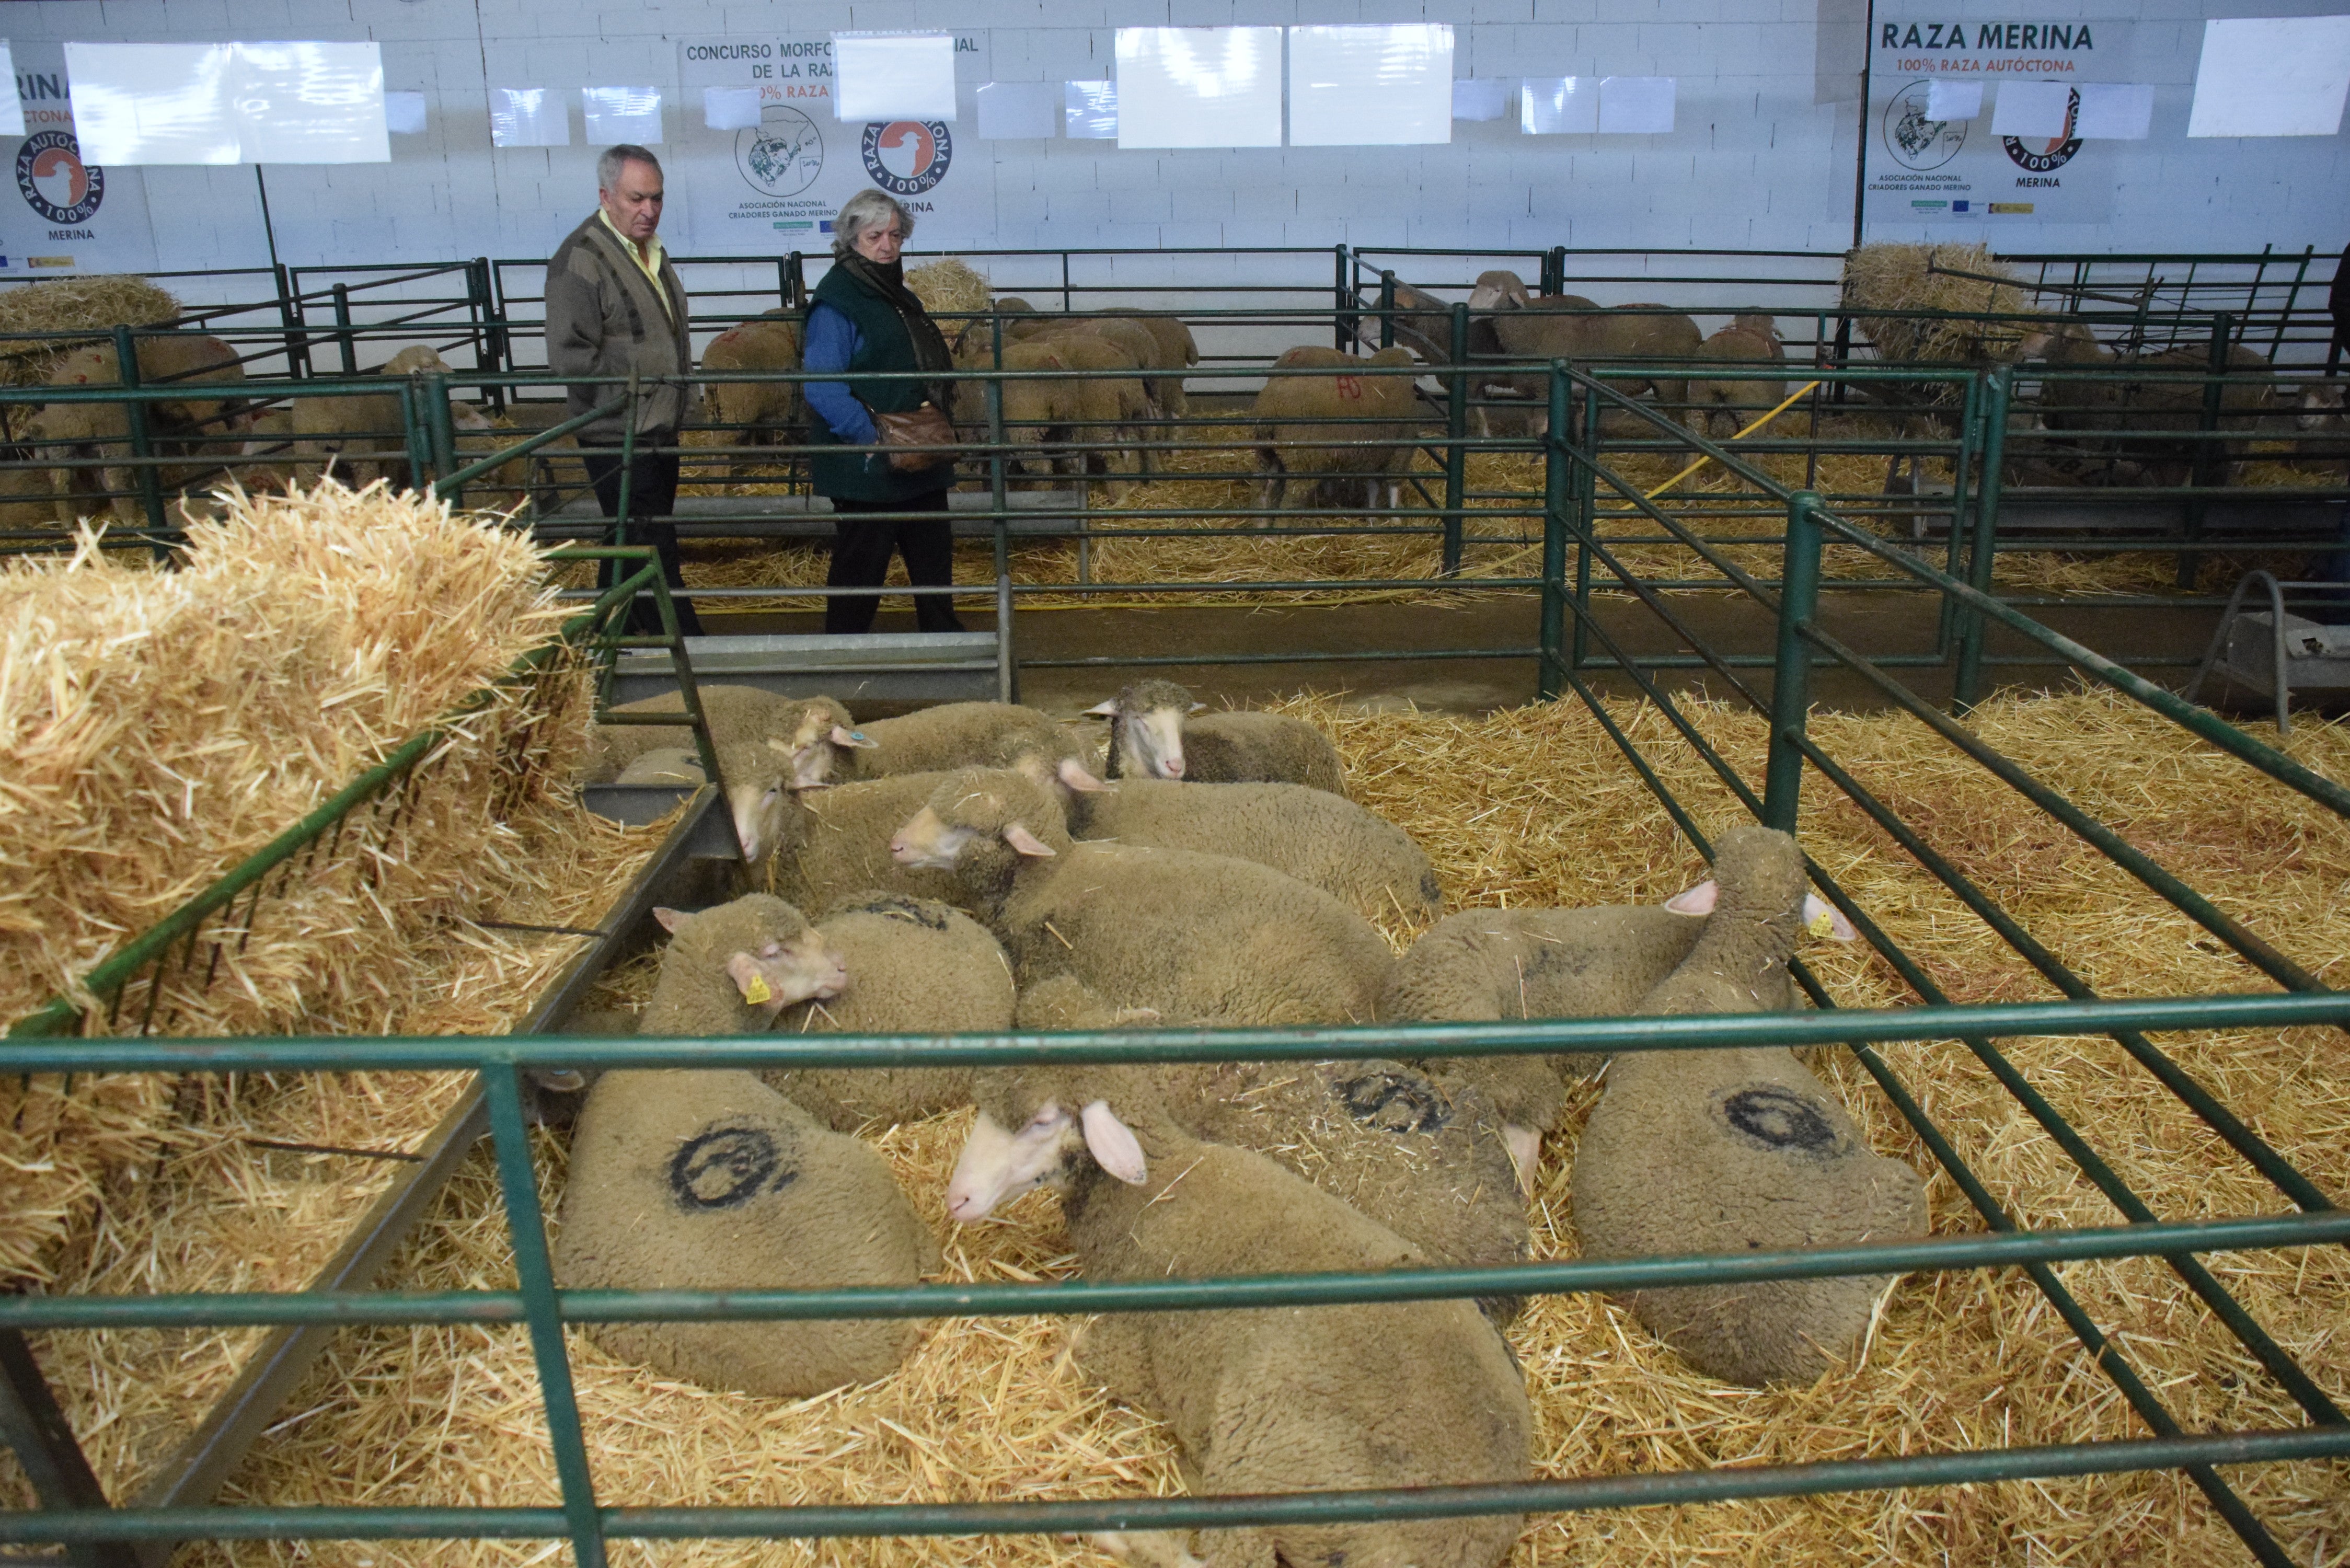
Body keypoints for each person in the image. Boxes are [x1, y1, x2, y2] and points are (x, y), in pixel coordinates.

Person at [545, 143, 703, 637]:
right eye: (637, 199)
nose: (649, 210)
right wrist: (631, 402)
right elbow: (572, 356)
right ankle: (683, 644)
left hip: (659, 428)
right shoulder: (579, 261)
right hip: (619, 434)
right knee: (648, 542)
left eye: (657, 198)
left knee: (631, 539)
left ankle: (602, 640)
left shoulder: (653, 252)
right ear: (606, 196)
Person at [801, 189, 965, 635]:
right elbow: (821, 383)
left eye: (895, 235)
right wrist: (869, 437)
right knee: (861, 564)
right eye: (875, 236)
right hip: (869, 466)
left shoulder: (895, 294)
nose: (887, 246)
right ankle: (842, 652)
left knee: (933, 558)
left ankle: (946, 647)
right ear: (852, 239)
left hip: (920, 453)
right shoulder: (838, 301)